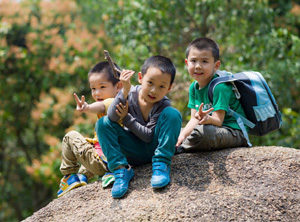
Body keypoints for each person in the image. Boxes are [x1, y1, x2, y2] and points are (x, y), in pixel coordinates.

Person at [96, 55, 182, 199]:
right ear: (140, 77)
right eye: (150, 83)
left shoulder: (163, 104)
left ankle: (161, 165)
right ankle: (121, 170)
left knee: (173, 114)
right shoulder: (130, 94)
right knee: (102, 123)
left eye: (162, 86)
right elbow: (111, 117)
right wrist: (125, 91)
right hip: (133, 152)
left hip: (156, 149)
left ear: (169, 88)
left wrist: (127, 119)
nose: (154, 91)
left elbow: (148, 136)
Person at [57, 61, 123, 198]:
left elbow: (101, 106)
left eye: (102, 87)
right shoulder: (128, 104)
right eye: (93, 89)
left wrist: (86, 108)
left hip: (104, 162)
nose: (97, 93)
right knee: (92, 148)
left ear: (118, 87)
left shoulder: (113, 102)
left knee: (70, 136)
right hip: (118, 159)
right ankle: (83, 176)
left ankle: (69, 176)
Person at [176, 37, 248, 153]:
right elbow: (194, 119)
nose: (198, 66)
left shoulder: (220, 87)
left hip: (233, 132)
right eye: (193, 61)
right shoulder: (193, 87)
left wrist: (207, 118)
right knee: (176, 131)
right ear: (186, 63)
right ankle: (179, 143)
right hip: (213, 129)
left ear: (216, 65)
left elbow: (218, 121)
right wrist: (182, 136)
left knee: (204, 133)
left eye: (204, 61)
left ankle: (179, 149)